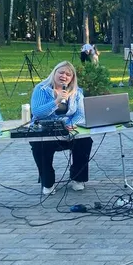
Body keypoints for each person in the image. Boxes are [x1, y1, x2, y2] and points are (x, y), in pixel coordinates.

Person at [30, 61, 92, 195]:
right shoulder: (41, 89)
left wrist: (70, 125)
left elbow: (81, 114)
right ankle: (48, 182)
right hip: (46, 130)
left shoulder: (76, 92)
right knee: (40, 146)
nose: (64, 76)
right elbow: (37, 112)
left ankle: (78, 178)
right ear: (54, 73)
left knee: (85, 141)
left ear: (72, 78)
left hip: (67, 130)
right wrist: (56, 101)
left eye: (68, 74)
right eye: (61, 72)